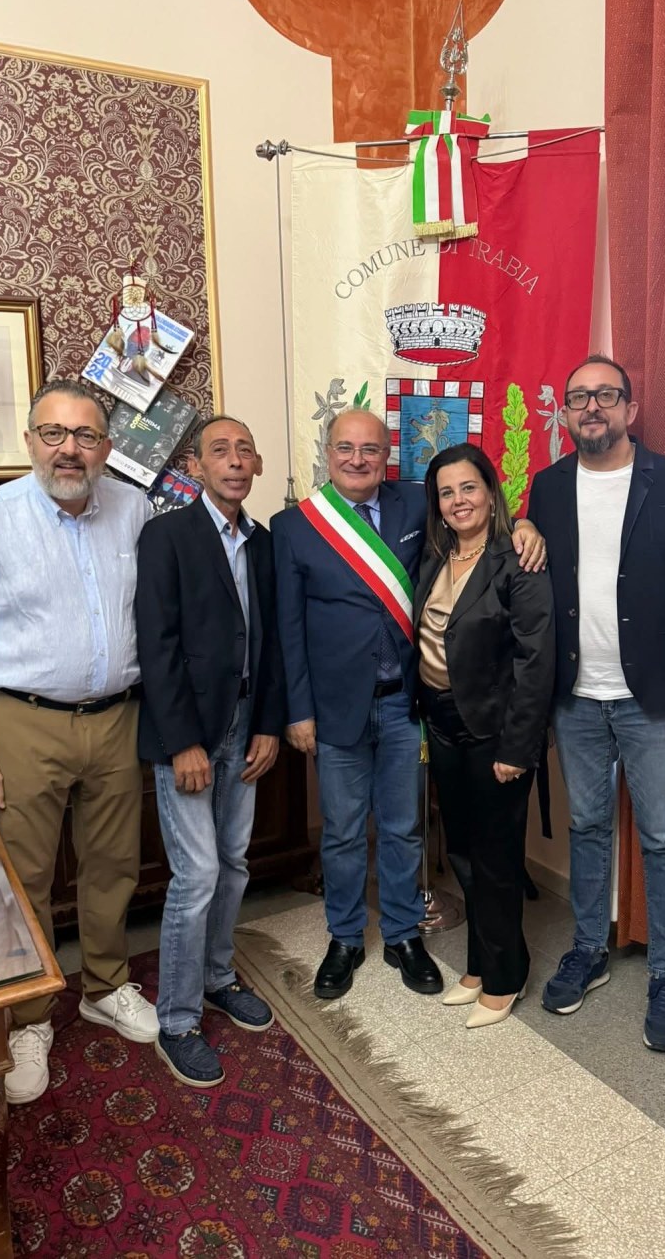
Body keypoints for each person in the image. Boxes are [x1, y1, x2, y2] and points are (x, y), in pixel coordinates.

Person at [0, 379, 158, 1106]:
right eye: (53, 433)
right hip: (21, 722)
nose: (69, 449)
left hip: (117, 717)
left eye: (85, 435)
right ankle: (28, 1018)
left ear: (106, 447)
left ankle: (105, 986)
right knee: (19, 877)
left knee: (114, 864)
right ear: (29, 441)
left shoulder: (136, 509)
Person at [271, 408, 545, 1000]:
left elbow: (476, 522)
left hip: (404, 705)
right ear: (328, 452)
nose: (358, 459)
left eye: (370, 449)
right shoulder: (294, 526)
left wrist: (524, 525)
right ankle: (345, 937)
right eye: (346, 448)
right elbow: (287, 628)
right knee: (343, 831)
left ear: (386, 455)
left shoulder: (413, 505)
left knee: (402, 828)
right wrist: (298, 711)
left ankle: (401, 933)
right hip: (336, 707)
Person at [528, 355, 665, 1051]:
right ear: (566, 414)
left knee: (661, 835)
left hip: (653, 696)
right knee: (589, 826)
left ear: (630, 408)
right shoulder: (546, 486)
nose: (591, 407)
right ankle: (588, 950)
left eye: (605, 395)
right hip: (576, 695)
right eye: (578, 398)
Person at [136, 415, 285, 1088]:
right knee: (195, 876)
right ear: (195, 466)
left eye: (244, 450)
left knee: (233, 863)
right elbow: (157, 645)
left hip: (246, 726)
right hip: (190, 736)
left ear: (257, 465)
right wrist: (183, 743)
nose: (234, 460)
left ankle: (219, 977)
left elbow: (272, 642)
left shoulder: (264, 542)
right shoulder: (166, 536)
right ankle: (177, 1018)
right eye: (219, 451)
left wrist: (268, 725)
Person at [416, 444, 554, 1028]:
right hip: (442, 724)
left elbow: (536, 662)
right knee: (464, 854)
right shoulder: (435, 556)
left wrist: (518, 747)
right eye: (446, 492)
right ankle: (479, 963)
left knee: (496, 858)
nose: (458, 501)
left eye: (468, 487)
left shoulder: (517, 559)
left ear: (491, 492)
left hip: (495, 732)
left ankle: (506, 977)